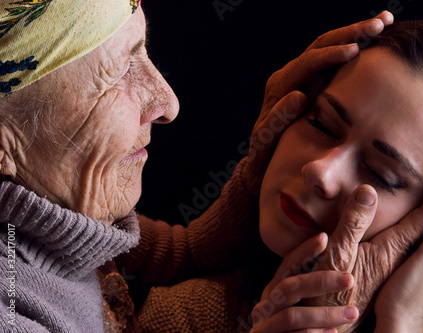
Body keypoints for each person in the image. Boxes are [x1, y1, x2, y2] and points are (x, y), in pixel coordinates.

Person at [0, 0, 394, 332]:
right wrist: (404, 322)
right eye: (120, 70)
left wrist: (255, 172)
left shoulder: (53, 218)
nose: (168, 103)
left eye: (143, 50)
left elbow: (178, 257)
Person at [135, 19, 423, 333]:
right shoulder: (192, 313)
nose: (321, 172)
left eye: (381, 174)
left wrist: (404, 321)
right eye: (322, 124)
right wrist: (199, 244)